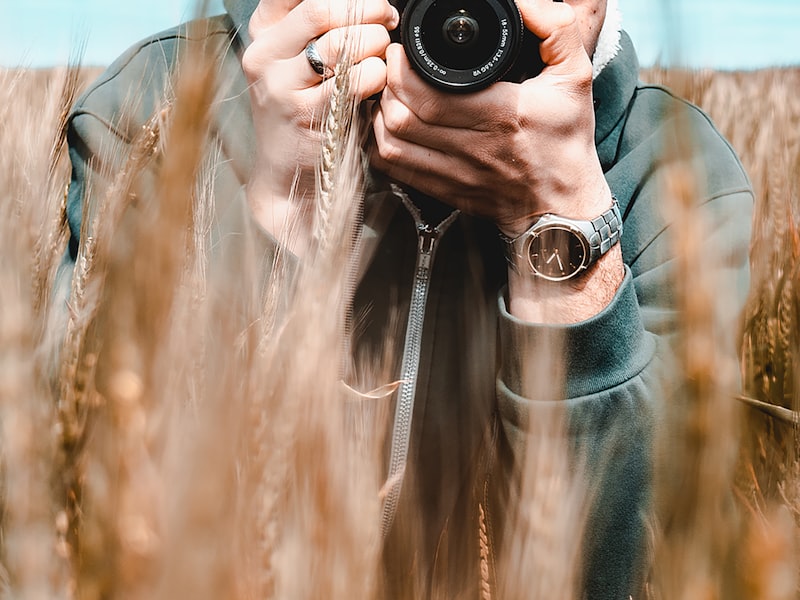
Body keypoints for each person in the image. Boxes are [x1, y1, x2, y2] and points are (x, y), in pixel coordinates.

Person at [62, 0, 754, 596]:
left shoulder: (676, 171)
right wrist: (279, 210)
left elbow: (639, 568)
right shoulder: (158, 108)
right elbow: (81, 514)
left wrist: (564, 221)